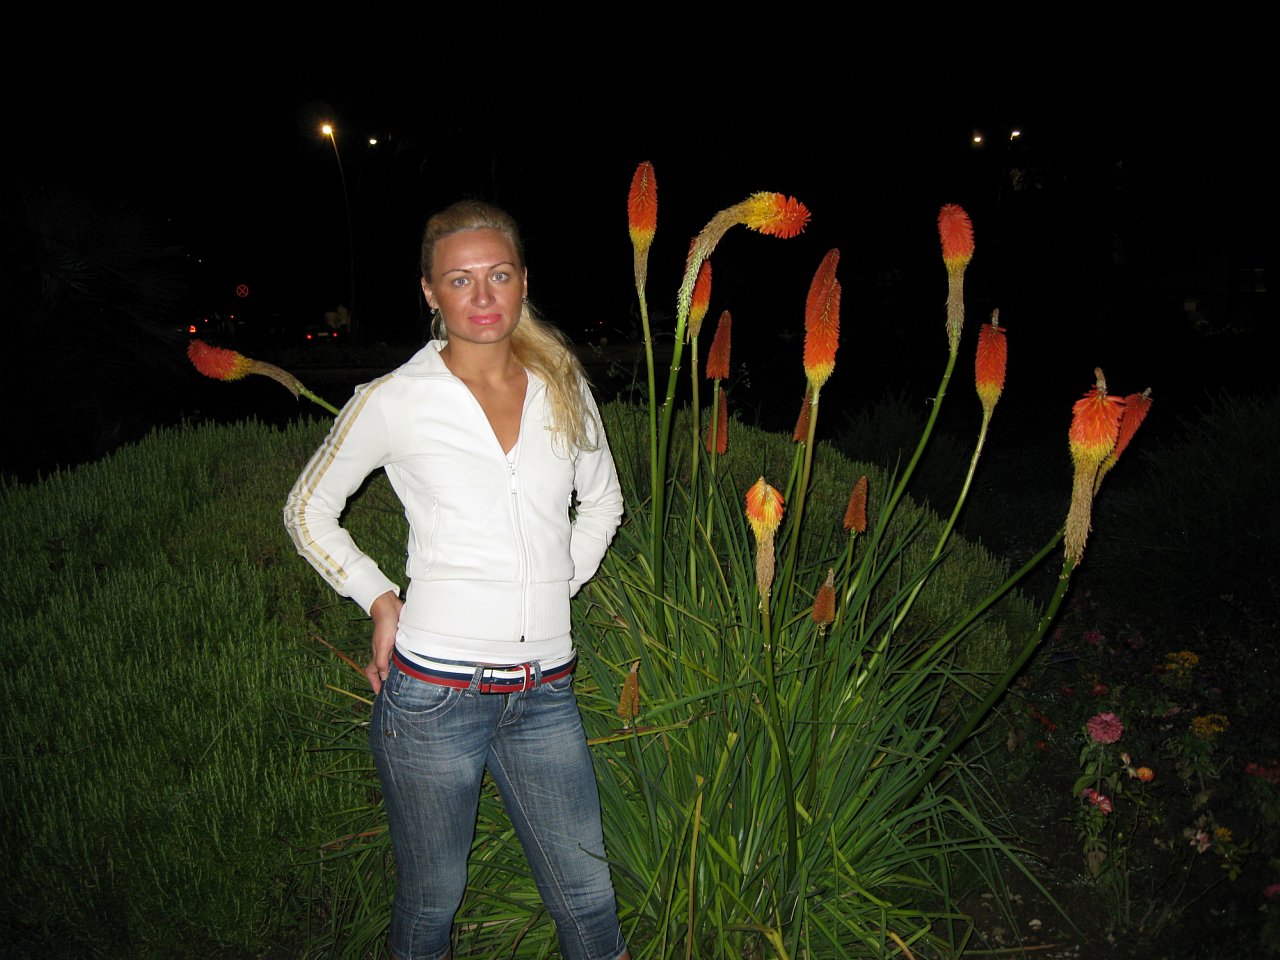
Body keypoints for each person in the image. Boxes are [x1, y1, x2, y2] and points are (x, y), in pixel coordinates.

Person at [284, 200, 629, 960]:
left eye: (498, 275)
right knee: (433, 900)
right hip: (435, 695)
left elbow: (603, 501)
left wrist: (555, 582)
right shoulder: (394, 400)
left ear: (524, 280)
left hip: (546, 691)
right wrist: (378, 597)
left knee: (589, 898)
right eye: (460, 279)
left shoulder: (562, 384)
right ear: (430, 292)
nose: (482, 296)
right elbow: (307, 510)